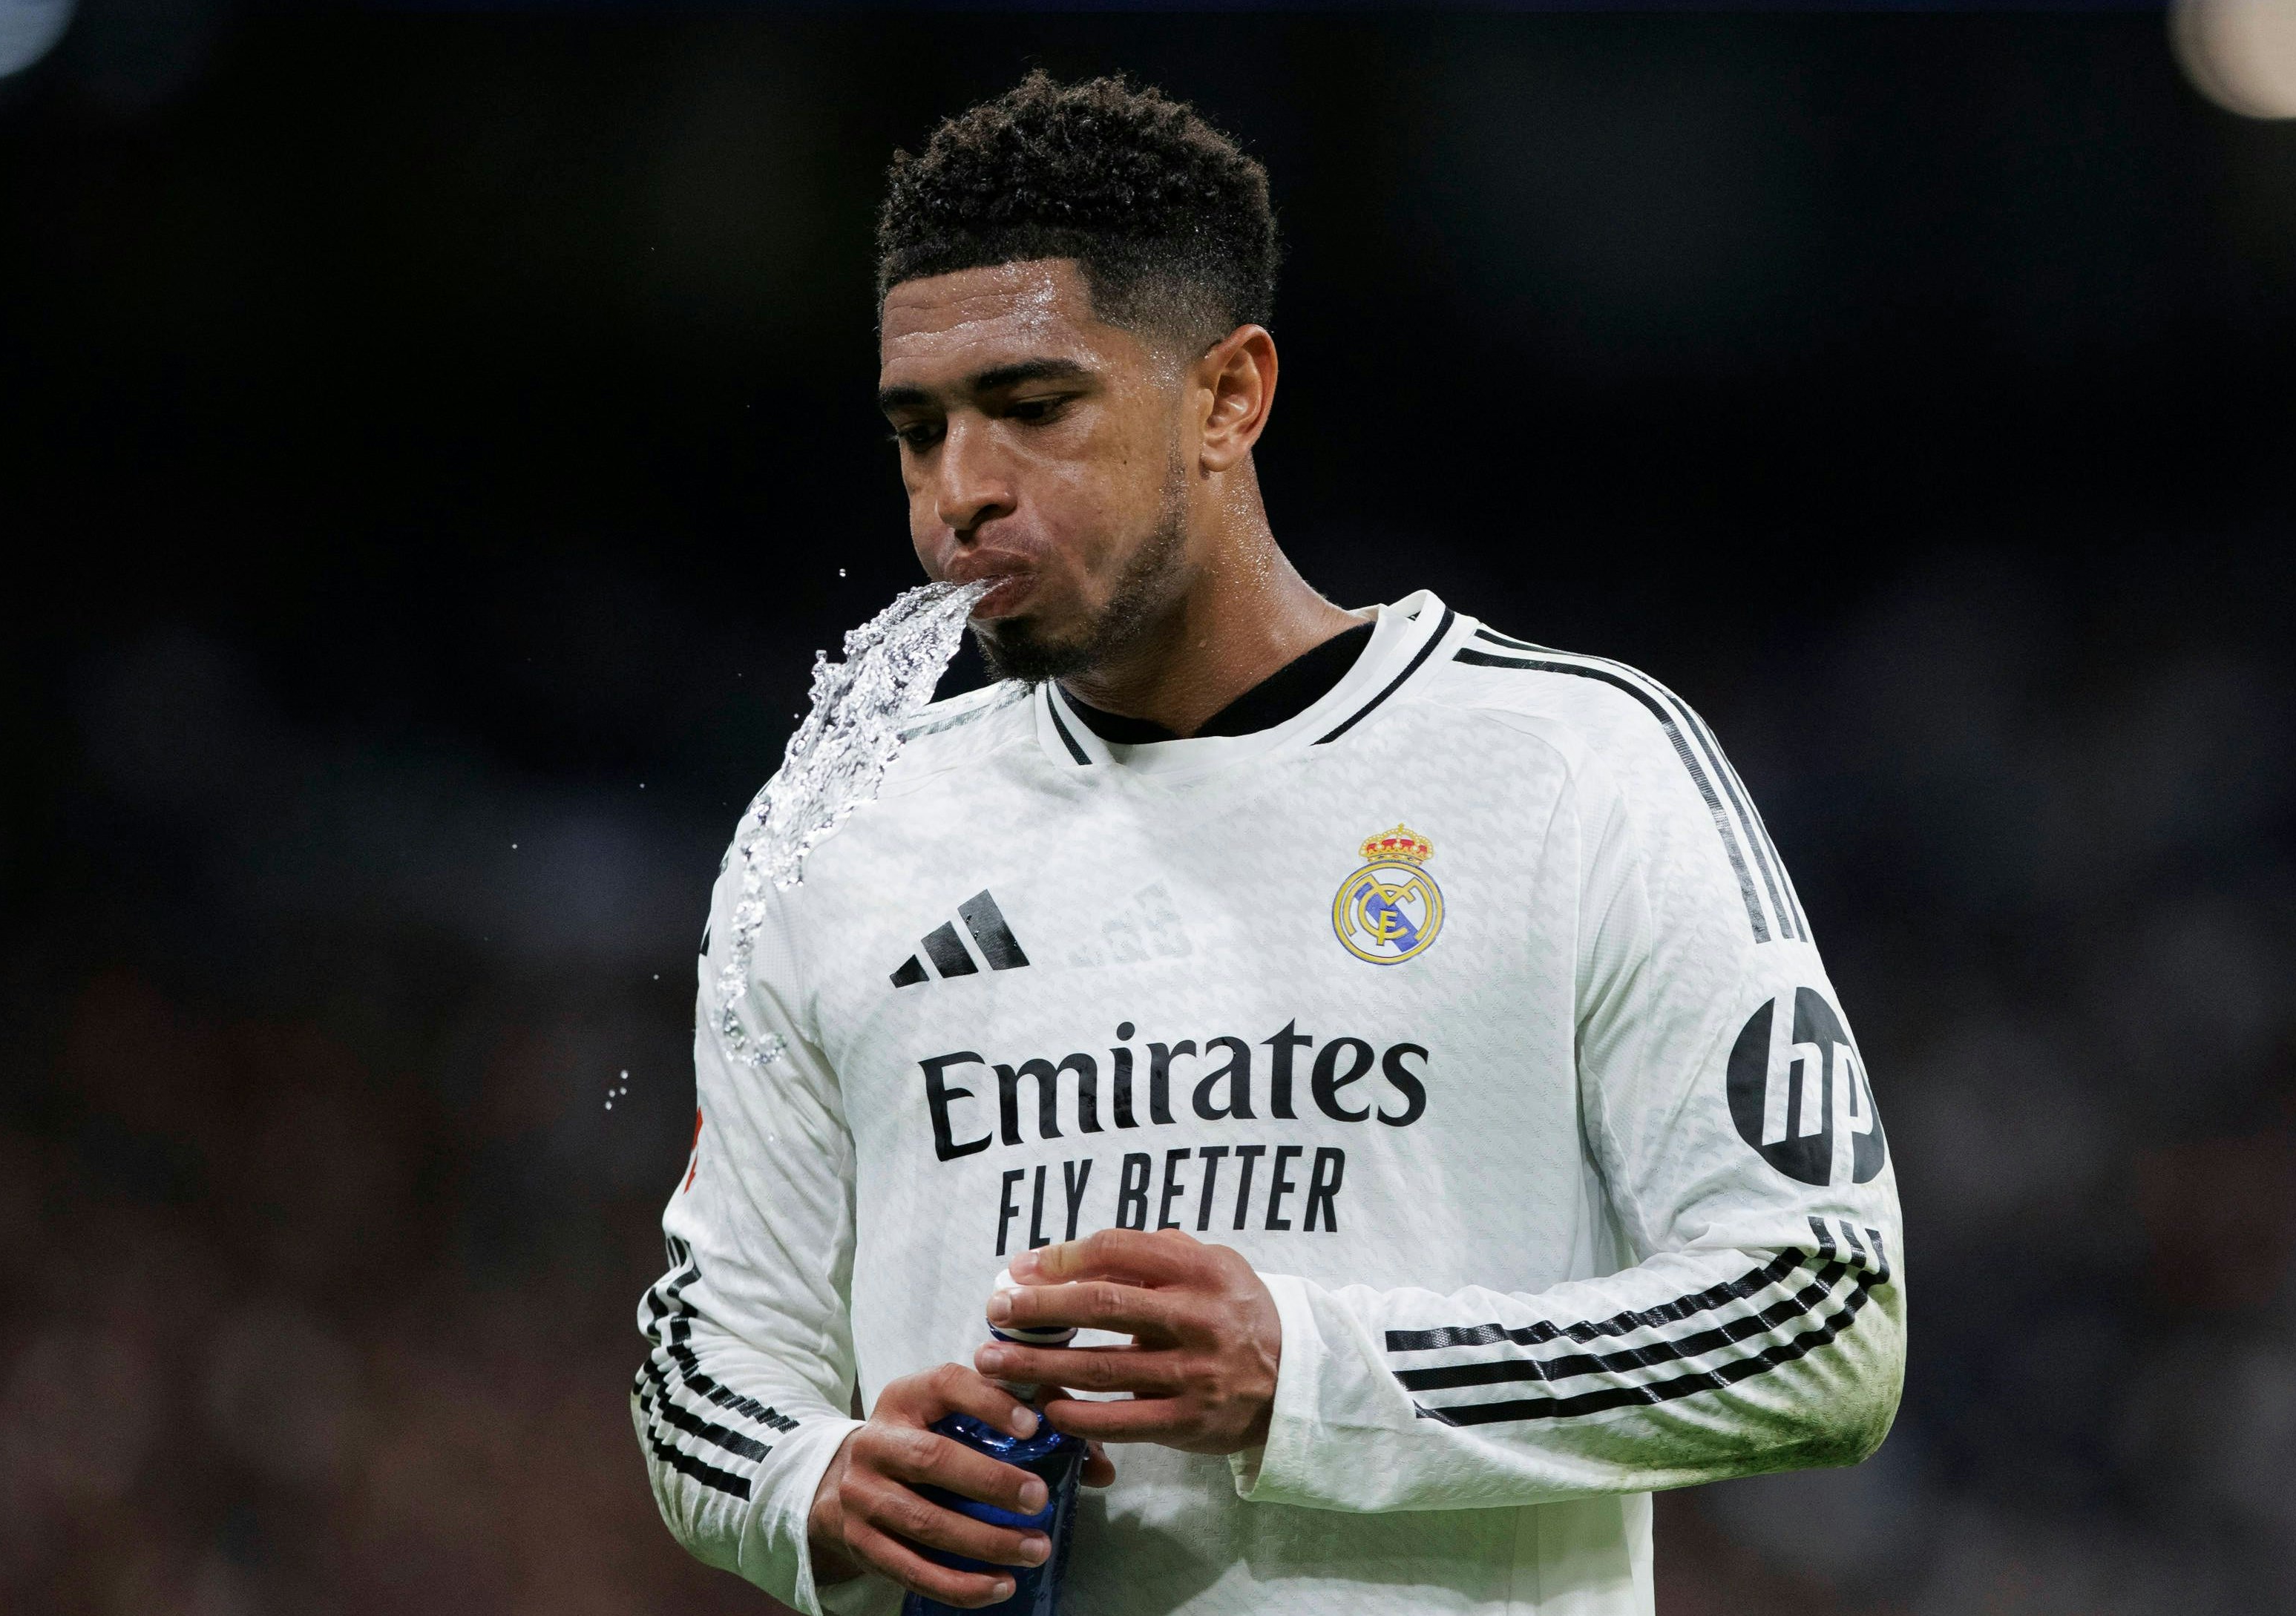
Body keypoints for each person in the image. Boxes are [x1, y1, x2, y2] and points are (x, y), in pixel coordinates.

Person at [632, 70, 1904, 1616]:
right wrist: (809, 1479)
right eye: (919, 430)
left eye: (1035, 409)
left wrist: (1313, 1375)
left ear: (1228, 397)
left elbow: (1825, 1313)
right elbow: (704, 1363)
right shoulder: (841, 824)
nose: (960, 492)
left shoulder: (1573, 767)